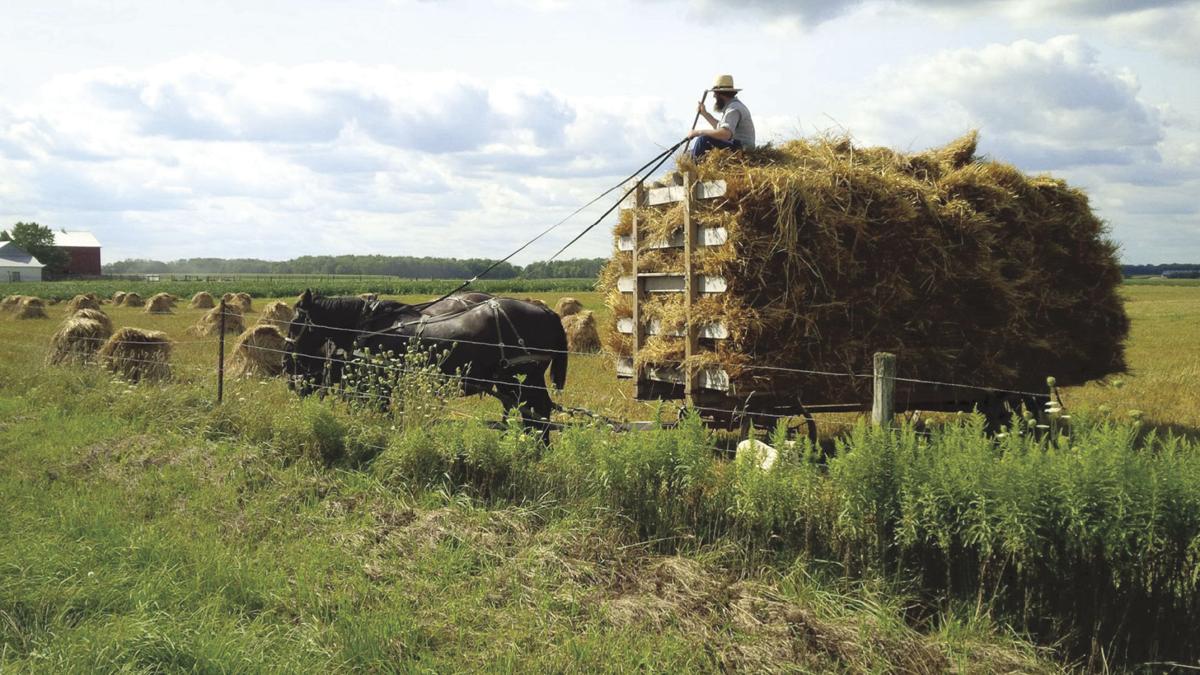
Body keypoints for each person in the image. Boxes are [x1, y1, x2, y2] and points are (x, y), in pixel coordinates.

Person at [689, 74, 755, 159]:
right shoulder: (732, 106)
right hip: (736, 145)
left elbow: (725, 134)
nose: (714, 96)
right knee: (689, 153)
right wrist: (704, 113)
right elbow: (720, 128)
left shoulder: (734, 108)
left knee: (704, 139)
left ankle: (695, 167)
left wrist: (698, 132)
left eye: (715, 94)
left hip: (741, 148)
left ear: (720, 94)